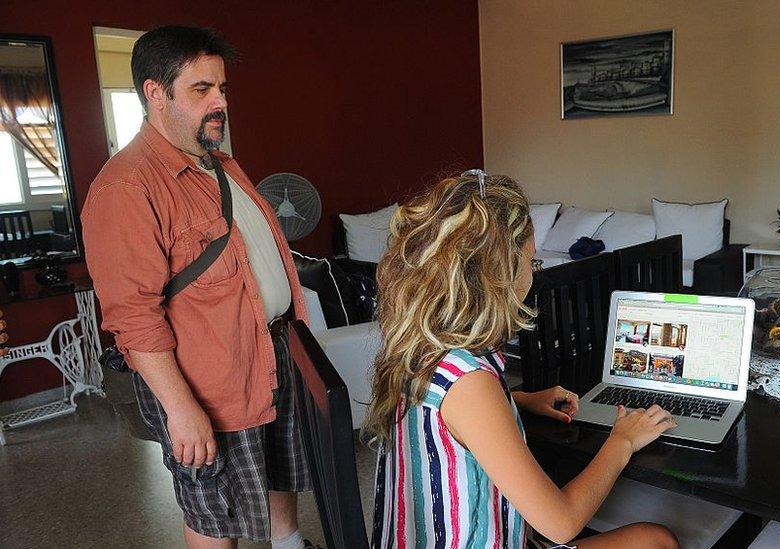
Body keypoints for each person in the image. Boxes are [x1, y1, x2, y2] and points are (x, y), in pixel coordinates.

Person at [82, 26, 318, 549]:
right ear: (154, 93)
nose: (220, 102)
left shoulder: (219, 162)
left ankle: (290, 544)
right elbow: (132, 317)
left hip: (270, 350)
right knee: (215, 507)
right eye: (201, 90)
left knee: (280, 470)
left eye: (222, 89)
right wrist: (181, 409)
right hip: (209, 381)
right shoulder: (127, 187)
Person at [365, 171, 679, 548]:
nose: (532, 274)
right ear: (497, 273)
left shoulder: (419, 344)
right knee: (657, 540)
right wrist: (622, 441)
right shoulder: (470, 383)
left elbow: (441, 418)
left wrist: (518, 400)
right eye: (531, 262)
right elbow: (561, 523)